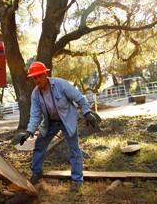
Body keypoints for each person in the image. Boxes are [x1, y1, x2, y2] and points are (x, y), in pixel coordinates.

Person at [19, 61, 99, 191]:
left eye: (39, 76)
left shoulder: (61, 84)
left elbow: (79, 98)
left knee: (74, 149)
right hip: (50, 122)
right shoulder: (35, 94)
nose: (37, 79)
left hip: (67, 119)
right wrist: (29, 132)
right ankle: (36, 172)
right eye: (34, 77)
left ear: (45, 74)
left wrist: (87, 112)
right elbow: (35, 115)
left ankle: (77, 180)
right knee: (39, 145)